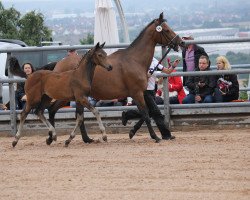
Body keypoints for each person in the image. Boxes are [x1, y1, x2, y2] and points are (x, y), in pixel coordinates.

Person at [121, 57, 179, 140]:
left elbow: (167, 71)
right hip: (144, 91)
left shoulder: (154, 61)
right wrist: (146, 76)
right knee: (157, 113)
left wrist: (173, 66)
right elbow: (136, 78)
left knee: (148, 113)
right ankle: (166, 135)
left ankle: (128, 116)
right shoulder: (140, 62)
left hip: (152, 91)